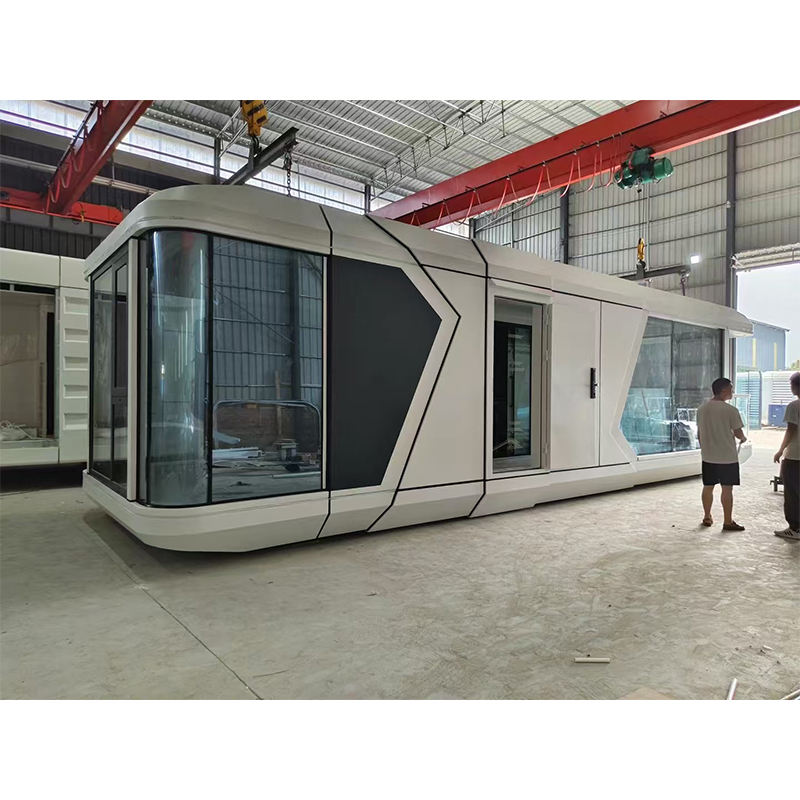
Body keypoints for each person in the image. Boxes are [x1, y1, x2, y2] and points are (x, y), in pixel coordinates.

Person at [696, 377, 747, 531]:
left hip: (708, 456)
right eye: (731, 388)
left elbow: (699, 433)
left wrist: (704, 449)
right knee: (727, 489)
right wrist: (743, 438)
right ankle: (727, 521)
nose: (732, 391)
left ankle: (707, 516)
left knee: (708, 487)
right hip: (727, 457)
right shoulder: (730, 410)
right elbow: (738, 432)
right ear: (724, 390)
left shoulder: (701, 409)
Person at [773, 371, 800, 540]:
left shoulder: (794, 406)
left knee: (792, 493)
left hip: (795, 456)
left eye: (791, 384)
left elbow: (791, 430)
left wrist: (780, 450)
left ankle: (795, 528)